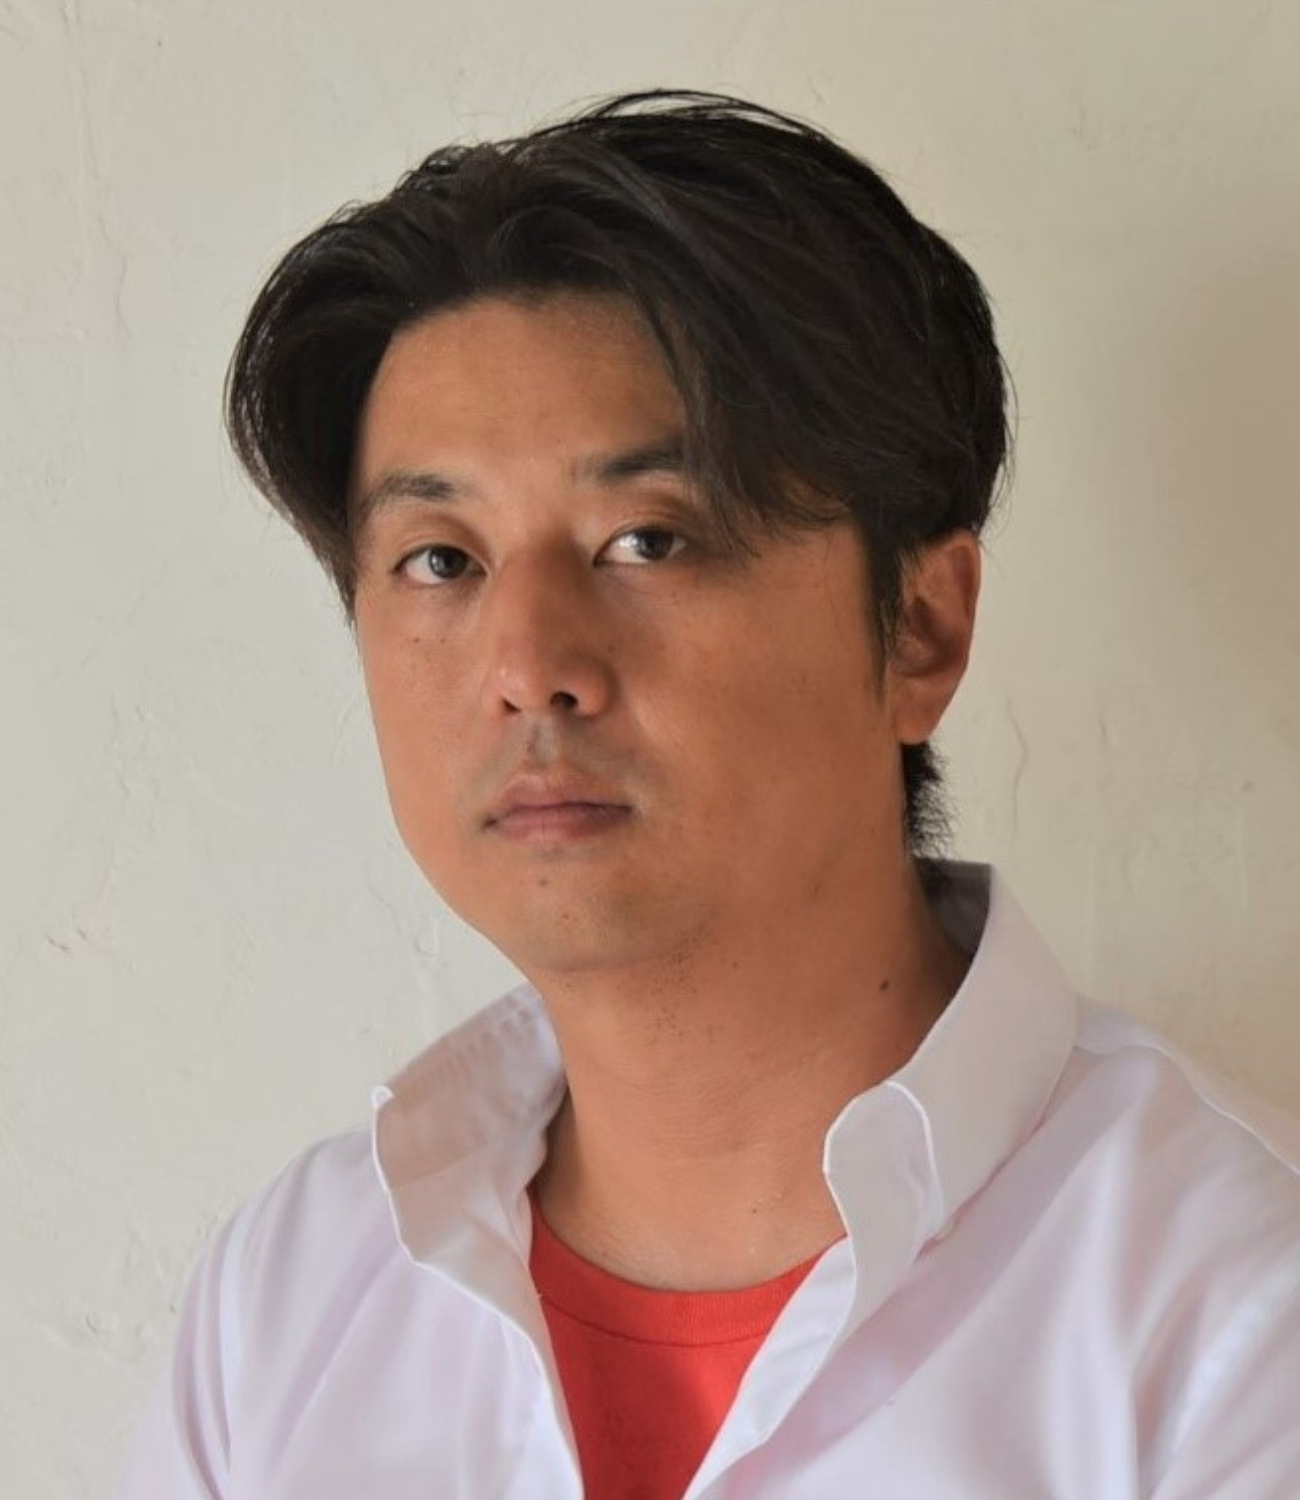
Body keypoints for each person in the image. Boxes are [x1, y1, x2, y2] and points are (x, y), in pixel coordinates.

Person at [120, 91, 1300, 1499]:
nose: (530, 668)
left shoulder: (1236, 1304)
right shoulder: (285, 1305)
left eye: (648, 539)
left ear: (920, 629)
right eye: (441, 559)